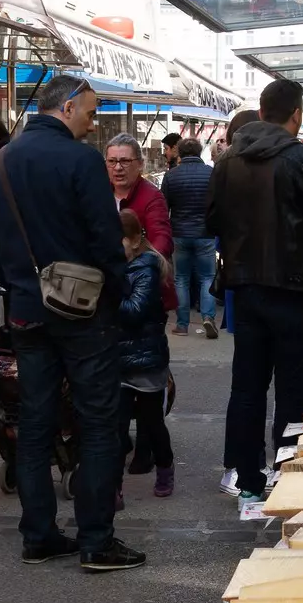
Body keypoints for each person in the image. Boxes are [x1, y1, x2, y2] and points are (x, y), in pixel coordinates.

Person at [0, 73, 144, 572]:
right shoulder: (80, 159)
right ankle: (96, 540)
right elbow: (103, 237)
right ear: (68, 105)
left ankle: (39, 535)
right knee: (98, 422)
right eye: (91, 112)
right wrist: (115, 291)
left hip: (26, 310)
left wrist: (17, 290)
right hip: (83, 309)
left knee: (34, 422)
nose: (92, 123)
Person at [205, 78, 303, 502]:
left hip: (246, 288)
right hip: (295, 288)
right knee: (290, 389)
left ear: (262, 110)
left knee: (247, 386)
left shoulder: (229, 160)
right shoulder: (301, 159)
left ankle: (248, 478)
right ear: (296, 114)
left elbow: (211, 220)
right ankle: (286, 475)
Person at [115, 208, 174, 500]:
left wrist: (106, 298)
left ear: (135, 239)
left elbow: (134, 312)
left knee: (151, 422)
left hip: (146, 359)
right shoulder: (119, 267)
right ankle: (114, 487)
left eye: (120, 241)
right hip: (119, 360)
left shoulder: (146, 268)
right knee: (116, 426)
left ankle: (165, 468)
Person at [160, 136, 216, 338]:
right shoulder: (211, 174)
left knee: (181, 279)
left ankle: (182, 325)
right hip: (205, 234)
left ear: (180, 153)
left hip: (180, 233)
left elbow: (163, 207)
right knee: (207, 277)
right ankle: (208, 317)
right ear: (200, 152)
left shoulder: (171, 176)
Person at [105, 133, 171, 260]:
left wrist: (145, 266)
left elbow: (162, 239)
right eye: (112, 161)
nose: (118, 167)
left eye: (125, 161)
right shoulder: (98, 192)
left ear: (140, 164)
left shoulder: (152, 197)